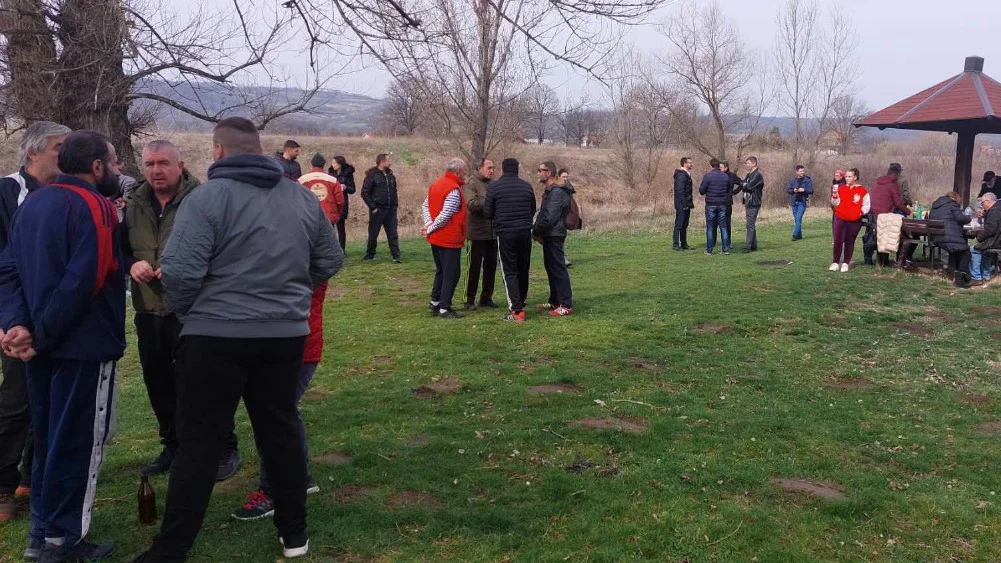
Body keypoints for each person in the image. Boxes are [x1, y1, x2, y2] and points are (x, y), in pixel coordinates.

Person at [133, 117, 343, 562]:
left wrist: (196, 314)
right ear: (260, 149)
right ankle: (294, 536)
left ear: (218, 152)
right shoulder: (302, 199)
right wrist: (291, 293)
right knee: (279, 432)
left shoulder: (205, 200)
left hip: (216, 338)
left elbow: (183, 274)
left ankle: (171, 548)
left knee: (199, 444)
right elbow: (329, 257)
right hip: (283, 338)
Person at [0, 130, 126, 561]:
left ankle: (41, 535)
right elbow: (84, 279)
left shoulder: (32, 201)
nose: (118, 169)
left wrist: (18, 324)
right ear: (96, 167)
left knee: (49, 436)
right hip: (80, 347)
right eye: (113, 162)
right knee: (77, 441)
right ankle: (64, 541)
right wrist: (36, 333)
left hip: (41, 347)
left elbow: (8, 270)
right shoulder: (96, 206)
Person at [123, 140, 242, 482]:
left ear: (180, 164)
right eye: (149, 164)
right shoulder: (134, 203)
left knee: (204, 383)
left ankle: (223, 447)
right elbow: (120, 250)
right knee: (158, 382)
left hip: (193, 309)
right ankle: (173, 446)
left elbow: (225, 251)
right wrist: (132, 265)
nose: (156, 170)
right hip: (148, 308)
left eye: (163, 163)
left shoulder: (203, 199)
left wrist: (185, 270)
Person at [232, 176, 338, 521]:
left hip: (297, 345)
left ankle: (274, 488)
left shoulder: (304, 254)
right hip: (284, 341)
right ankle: (298, 477)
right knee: (283, 413)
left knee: (273, 417)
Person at [0, 121, 70, 531]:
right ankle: (3, 484)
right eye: (60, 148)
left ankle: (33, 475)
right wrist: (7, 324)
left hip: (54, 317)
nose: (67, 154)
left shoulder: (68, 194)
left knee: (53, 399)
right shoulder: (7, 192)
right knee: (15, 401)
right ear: (33, 153)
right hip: (15, 319)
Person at [484, 158, 536, 323]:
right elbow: (532, 209)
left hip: (506, 233)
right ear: (517, 169)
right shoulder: (527, 187)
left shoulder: (494, 187)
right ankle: (521, 301)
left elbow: (487, 212)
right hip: (525, 232)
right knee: (523, 268)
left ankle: (516, 311)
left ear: (503, 169)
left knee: (509, 270)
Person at [422, 159, 468, 319]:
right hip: (449, 237)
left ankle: (435, 302)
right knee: (452, 273)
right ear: (458, 171)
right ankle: (444, 307)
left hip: (436, 238)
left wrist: (429, 225)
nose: (465, 173)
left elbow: (425, 205)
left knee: (441, 270)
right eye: (464, 170)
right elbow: (446, 214)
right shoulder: (453, 189)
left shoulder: (437, 183)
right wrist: (431, 227)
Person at [533, 160, 573, 317]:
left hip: (555, 235)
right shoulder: (550, 190)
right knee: (551, 268)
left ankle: (565, 305)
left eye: (540, 170)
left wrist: (535, 231)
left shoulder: (556, 192)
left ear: (548, 173)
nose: (538, 173)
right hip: (549, 235)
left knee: (558, 269)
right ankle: (555, 300)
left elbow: (549, 217)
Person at [463, 159, 498, 309]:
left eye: (493, 168)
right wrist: (491, 202)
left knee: (491, 267)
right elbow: (472, 205)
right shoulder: (470, 183)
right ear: (479, 168)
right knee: (474, 267)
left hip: (492, 233)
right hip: (476, 232)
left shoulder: (493, 184)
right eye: (489, 168)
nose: (491, 171)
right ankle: (469, 299)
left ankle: (486, 297)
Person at [865, 164, 911, 266]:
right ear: (897, 174)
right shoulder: (892, 184)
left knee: (872, 236)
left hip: (872, 213)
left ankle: (870, 260)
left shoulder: (877, 182)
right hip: (884, 215)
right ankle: (894, 260)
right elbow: (898, 203)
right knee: (887, 236)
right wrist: (909, 211)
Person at [928, 191, 972, 289]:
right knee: (966, 252)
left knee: (955, 250)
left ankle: (952, 273)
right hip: (947, 237)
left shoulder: (935, 206)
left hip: (936, 237)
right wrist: (969, 218)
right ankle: (960, 278)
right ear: (955, 198)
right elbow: (961, 219)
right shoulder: (953, 205)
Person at [361, 153, 401, 262]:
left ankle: (396, 255)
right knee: (373, 233)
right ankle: (370, 254)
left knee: (393, 233)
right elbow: (364, 193)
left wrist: (395, 204)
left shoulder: (391, 175)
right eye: (388, 160)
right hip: (378, 209)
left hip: (391, 209)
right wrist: (373, 207)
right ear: (382, 162)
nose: (390, 162)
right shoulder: (372, 175)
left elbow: (394, 191)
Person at [829, 168, 870, 272]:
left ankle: (846, 263)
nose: (847, 178)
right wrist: (834, 198)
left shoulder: (862, 190)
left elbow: (866, 205)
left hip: (854, 221)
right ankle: (835, 262)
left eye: (849, 176)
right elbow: (835, 203)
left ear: (855, 177)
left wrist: (860, 212)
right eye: (846, 176)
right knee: (838, 241)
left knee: (849, 242)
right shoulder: (840, 188)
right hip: (840, 218)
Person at [299, 153, 345, 231]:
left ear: (312, 164)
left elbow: (297, 200)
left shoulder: (302, 180)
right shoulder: (333, 180)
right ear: (323, 165)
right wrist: (337, 214)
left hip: (309, 217)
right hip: (328, 218)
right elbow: (340, 201)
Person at [698, 158, 731, 256]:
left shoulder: (708, 176)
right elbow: (728, 188)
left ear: (711, 165)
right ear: (718, 165)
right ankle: (725, 249)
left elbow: (702, 190)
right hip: (722, 204)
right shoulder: (725, 176)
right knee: (723, 227)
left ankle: (709, 250)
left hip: (711, 204)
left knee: (710, 227)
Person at [971, 192, 1001, 285]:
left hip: (996, 241)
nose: (982, 205)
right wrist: (984, 215)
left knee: (974, 249)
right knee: (985, 251)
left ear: (988, 201)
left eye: (982, 203)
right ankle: (986, 275)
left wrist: (979, 238)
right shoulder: (997, 208)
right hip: (998, 239)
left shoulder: (994, 211)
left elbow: (990, 230)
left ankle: (976, 277)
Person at [329, 156, 356, 250]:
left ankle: (342, 249)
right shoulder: (330, 174)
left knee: (341, 227)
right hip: (331, 203)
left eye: (335, 163)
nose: (333, 165)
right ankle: (332, 249)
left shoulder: (348, 174)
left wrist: (345, 187)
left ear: (340, 164)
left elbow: (353, 189)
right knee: (330, 227)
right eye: (332, 163)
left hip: (342, 202)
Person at [740, 156, 764, 253]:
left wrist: (745, 185)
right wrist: (744, 185)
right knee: (750, 224)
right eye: (747, 163)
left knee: (749, 224)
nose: (747, 165)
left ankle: (748, 246)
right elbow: (743, 185)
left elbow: (748, 186)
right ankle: (753, 245)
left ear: (754, 163)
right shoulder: (749, 174)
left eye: (748, 163)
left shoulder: (757, 175)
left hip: (754, 202)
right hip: (748, 202)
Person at [786, 165, 814, 241]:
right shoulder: (793, 180)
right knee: (796, 219)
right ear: (797, 172)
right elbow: (788, 189)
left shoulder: (808, 180)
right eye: (801, 171)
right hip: (794, 202)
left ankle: (795, 235)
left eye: (803, 171)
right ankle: (799, 235)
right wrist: (793, 190)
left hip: (802, 202)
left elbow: (811, 190)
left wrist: (803, 190)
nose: (802, 172)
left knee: (798, 219)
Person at [672, 157, 694, 251]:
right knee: (679, 224)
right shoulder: (681, 175)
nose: (691, 164)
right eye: (690, 163)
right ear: (685, 164)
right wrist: (684, 204)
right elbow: (680, 191)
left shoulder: (686, 174)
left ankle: (684, 243)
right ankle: (676, 244)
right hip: (681, 204)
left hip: (686, 204)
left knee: (685, 224)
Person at [719, 160, 743, 244]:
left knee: (727, 223)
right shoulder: (719, 175)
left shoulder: (732, 176)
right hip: (719, 202)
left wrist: (734, 192)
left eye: (721, 167)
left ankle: (727, 242)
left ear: (726, 167)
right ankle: (722, 241)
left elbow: (741, 183)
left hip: (727, 202)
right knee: (720, 223)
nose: (719, 168)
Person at [558, 169, 574, 268]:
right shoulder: (555, 187)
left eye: (567, 177)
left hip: (564, 216)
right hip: (556, 216)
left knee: (562, 238)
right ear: (559, 176)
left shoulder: (568, 187)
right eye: (563, 177)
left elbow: (571, 191)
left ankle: (563, 259)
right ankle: (562, 259)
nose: (565, 178)